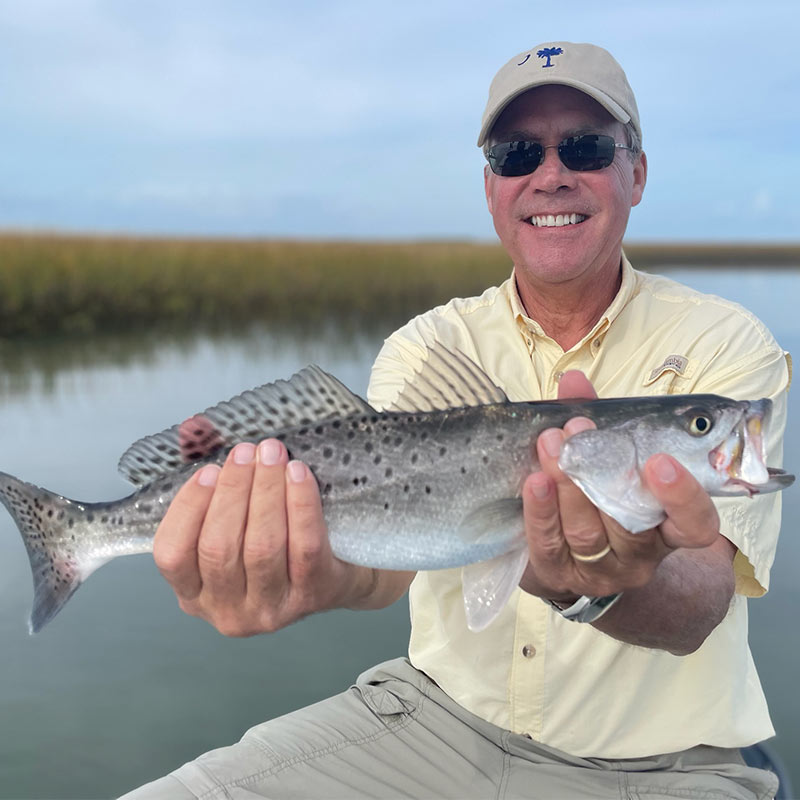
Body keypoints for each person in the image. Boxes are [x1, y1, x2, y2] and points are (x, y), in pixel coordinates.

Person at [122, 42, 790, 799]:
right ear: (490, 187)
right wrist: (301, 570)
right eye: (515, 154)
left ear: (636, 172)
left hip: (662, 766)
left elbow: (701, 603)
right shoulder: (427, 347)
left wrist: (587, 585)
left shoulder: (726, 344)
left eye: (587, 146)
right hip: (430, 724)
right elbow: (385, 567)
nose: (551, 173)